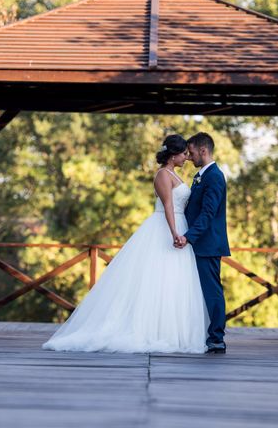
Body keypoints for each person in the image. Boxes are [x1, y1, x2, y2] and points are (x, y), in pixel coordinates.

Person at [42, 134, 208, 353]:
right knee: (157, 279)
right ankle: (149, 330)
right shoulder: (162, 175)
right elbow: (168, 205)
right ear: (173, 155)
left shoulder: (174, 174)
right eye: (183, 154)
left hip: (181, 226)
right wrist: (174, 232)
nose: (186, 158)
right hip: (166, 227)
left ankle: (170, 331)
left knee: (174, 281)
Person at [175, 132, 230, 354]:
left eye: (192, 152)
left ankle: (217, 337)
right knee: (198, 291)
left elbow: (208, 213)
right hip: (198, 243)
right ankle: (201, 333)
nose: (189, 157)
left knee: (212, 291)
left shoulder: (214, 176)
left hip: (207, 244)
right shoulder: (201, 175)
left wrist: (189, 236)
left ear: (203, 151)